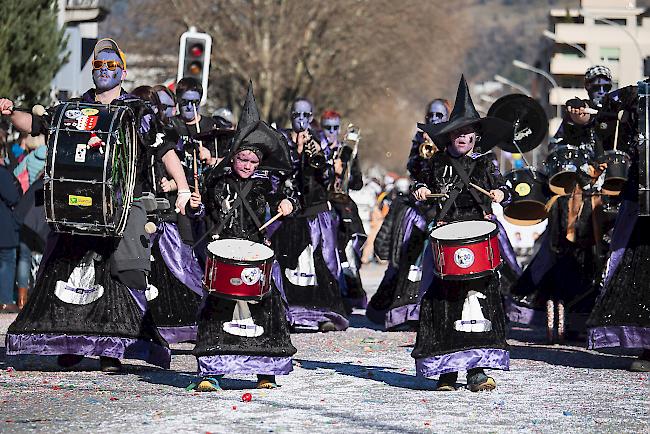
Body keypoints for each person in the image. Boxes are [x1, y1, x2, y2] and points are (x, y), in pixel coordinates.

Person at [1, 38, 186, 372]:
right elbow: (40, 126)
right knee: (67, 271)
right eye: (99, 65)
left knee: (119, 278)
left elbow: (164, 150)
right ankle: (70, 344)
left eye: (111, 65)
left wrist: (184, 188)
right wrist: (11, 111)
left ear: (123, 71)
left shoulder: (137, 110)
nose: (104, 70)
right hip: (78, 204)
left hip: (120, 206)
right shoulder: (76, 108)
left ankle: (111, 350)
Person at [187, 84, 297, 391]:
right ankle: (210, 372)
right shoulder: (214, 180)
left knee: (265, 307)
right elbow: (201, 216)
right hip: (220, 252)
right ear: (234, 156)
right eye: (243, 159)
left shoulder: (266, 186)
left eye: (253, 161)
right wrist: (195, 208)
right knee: (217, 309)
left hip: (254, 251)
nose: (248, 165)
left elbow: (289, 199)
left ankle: (265, 372)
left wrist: (290, 204)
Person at [410, 76, 512, 392]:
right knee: (444, 301)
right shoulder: (436, 161)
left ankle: (478, 369)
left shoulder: (486, 163)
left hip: (479, 238)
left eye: (468, 131)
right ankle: (446, 371)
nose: (462, 137)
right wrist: (421, 190)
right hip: (446, 237)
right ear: (449, 136)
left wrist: (501, 195)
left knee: (479, 301)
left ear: (476, 135)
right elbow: (417, 184)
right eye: (457, 132)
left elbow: (505, 188)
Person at [509, 66, 618, 341]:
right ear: (587, 87)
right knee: (571, 260)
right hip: (574, 206)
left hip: (612, 203)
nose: (601, 92)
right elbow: (555, 160)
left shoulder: (617, 117)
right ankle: (572, 321)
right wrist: (575, 126)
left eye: (606, 86)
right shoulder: (572, 119)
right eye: (596, 86)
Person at [366, 100, 450, 330]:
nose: (434, 118)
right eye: (430, 114)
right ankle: (407, 311)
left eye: (439, 115)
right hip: (420, 207)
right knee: (408, 257)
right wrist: (424, 152)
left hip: (445, 209)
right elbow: (413, 168)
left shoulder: (453, 138)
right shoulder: (420, 138)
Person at [130, 85, 204, 344]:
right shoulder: (130, 131)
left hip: (171, 211)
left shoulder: (169, 132)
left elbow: (179, 166)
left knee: (180, 265)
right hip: (138, 210)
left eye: (157, 106)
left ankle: (197, 321)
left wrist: (177, 186)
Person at [587, 77, 650, 372]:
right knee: (643, 269)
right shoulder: (642, 93)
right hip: (644, 194)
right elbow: (608, 108)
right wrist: (633, 94)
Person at [274, 98, 349, 332]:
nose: (302, 120)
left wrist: (324, 163)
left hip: (316, 211)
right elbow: (277, 176)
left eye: (307, 116)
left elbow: (324, 179)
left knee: (323, 262)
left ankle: (325, 314)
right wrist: (296, 153)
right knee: (289, 263)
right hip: (290, 215)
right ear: (290, 114)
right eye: (298, 114)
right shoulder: (281, 140)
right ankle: (289, 313)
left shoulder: (318, 141)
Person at [321, 110, 367, 312]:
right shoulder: (318, 150)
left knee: (350, 251)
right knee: (327, 252)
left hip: (345, 208)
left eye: (334, 128)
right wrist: (330, 170)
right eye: (327, 128)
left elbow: (357, 184)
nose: (331, 132)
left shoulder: (347, 152)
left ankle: (348, 295)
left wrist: (349, 167)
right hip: (325, 207)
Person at [0, 145, 21, 312]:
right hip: (3, 225)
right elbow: (12, 197)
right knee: (7, 260)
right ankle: (6, 299)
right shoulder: (1, 172)